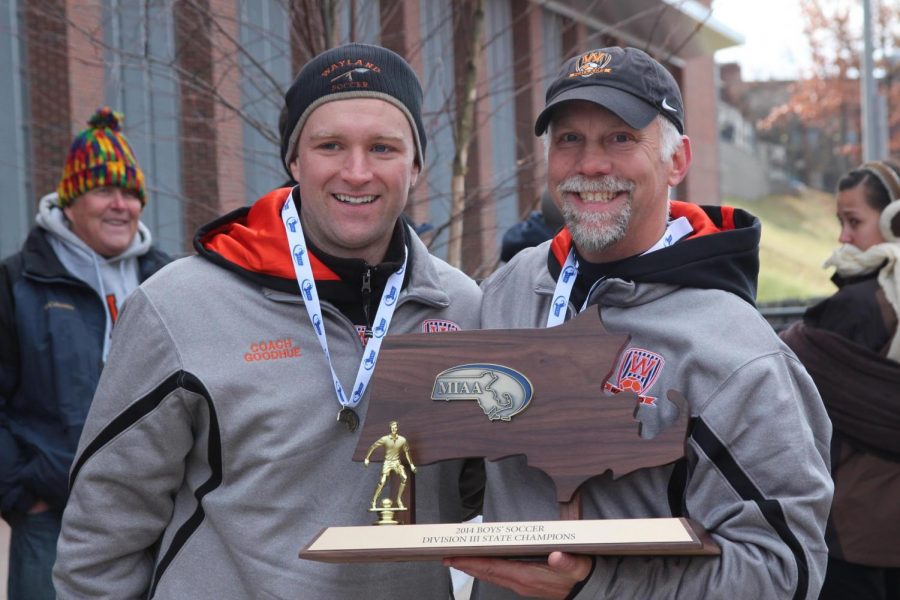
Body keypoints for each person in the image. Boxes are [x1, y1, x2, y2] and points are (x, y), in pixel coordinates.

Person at [52, 44, 481, 599]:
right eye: (330, 146)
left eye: (382, 147)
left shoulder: (463, 308)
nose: (357, 171)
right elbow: (103, 529)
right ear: (294, 160)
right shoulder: (180, 307)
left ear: (416, 164)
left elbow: (490, 490)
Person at [445, 46, 834, 599]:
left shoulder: (738, 355)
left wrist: (598, 586)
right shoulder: (511, 290)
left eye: (620, 138)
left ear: (678, 160)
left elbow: (783, 574)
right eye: (569, 140)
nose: (590, 165)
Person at [0, 107, 171, 600]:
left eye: (131, 193)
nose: (120, 205)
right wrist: (24, 490)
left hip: (150, 514)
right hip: (50, 518)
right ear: (71, 201)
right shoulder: (18, 283)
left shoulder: (169, 279)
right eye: (103, 191)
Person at [780, 160, 900, 600]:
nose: (844, 238)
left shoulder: (860, 305)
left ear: (893, 222)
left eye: (854, 222)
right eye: (840, 223)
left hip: (856, 528)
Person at [365, 420, 416, 510]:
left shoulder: (402, 440)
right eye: (392, 427)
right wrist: (367, 458)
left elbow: (407, 453)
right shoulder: (385, 439)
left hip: (396, 462)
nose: (394, 429)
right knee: (382, 482)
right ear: (390, 428)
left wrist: (411, 464)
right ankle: (374, 500)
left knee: (404, 477)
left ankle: (399, 499)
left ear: (397, 428)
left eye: (395, 427)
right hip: (387, 462)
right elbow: (373, 446)